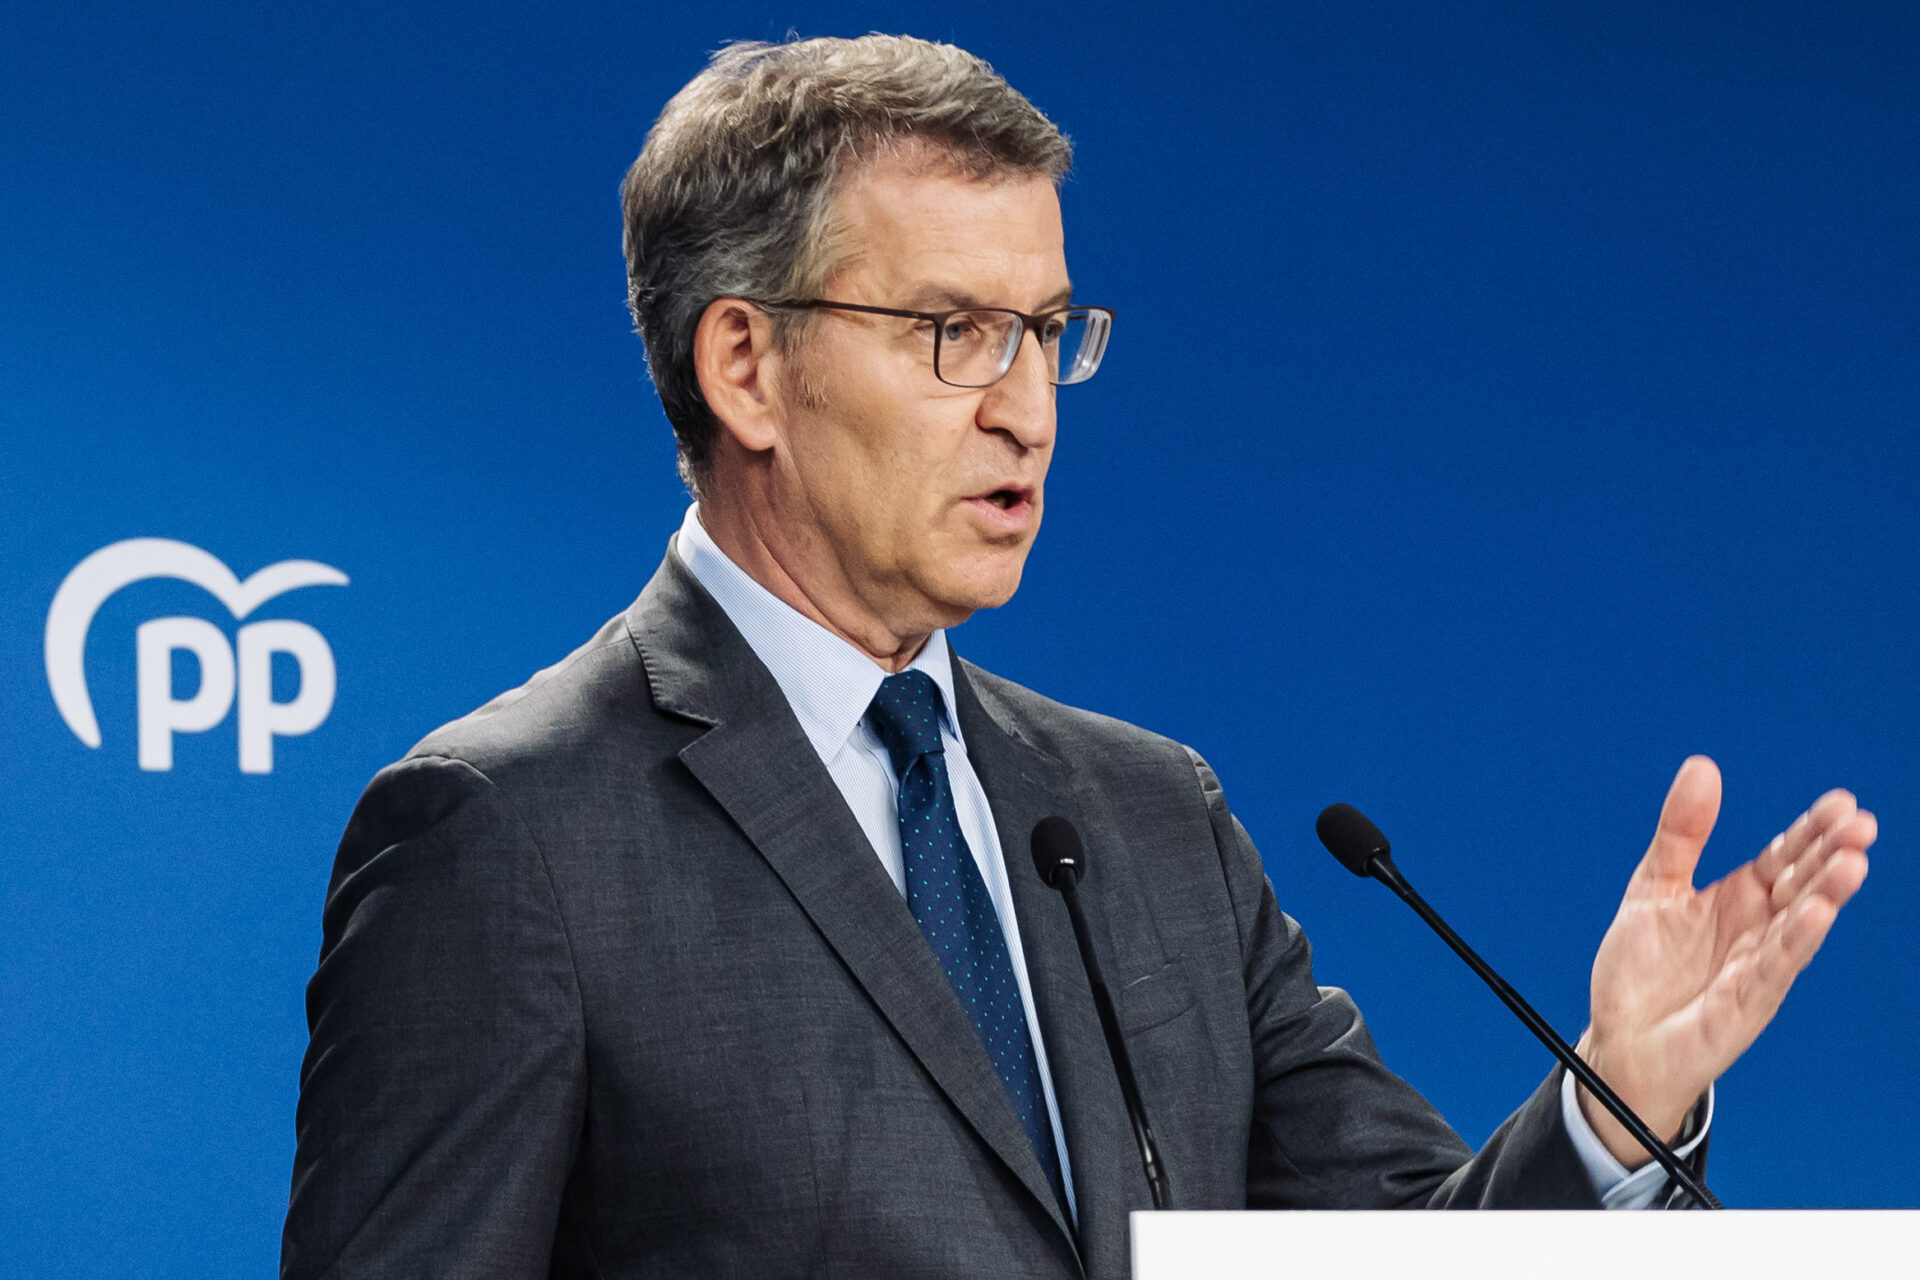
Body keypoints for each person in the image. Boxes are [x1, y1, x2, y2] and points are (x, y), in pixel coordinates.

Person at [281, 34, 1876, 1279]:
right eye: (953, 333)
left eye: (1047, 332)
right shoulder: (509, 835)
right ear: (747, 364)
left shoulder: (1146, 814)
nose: (1028, 409)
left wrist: (1611, 1109)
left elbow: (1400, 1251)